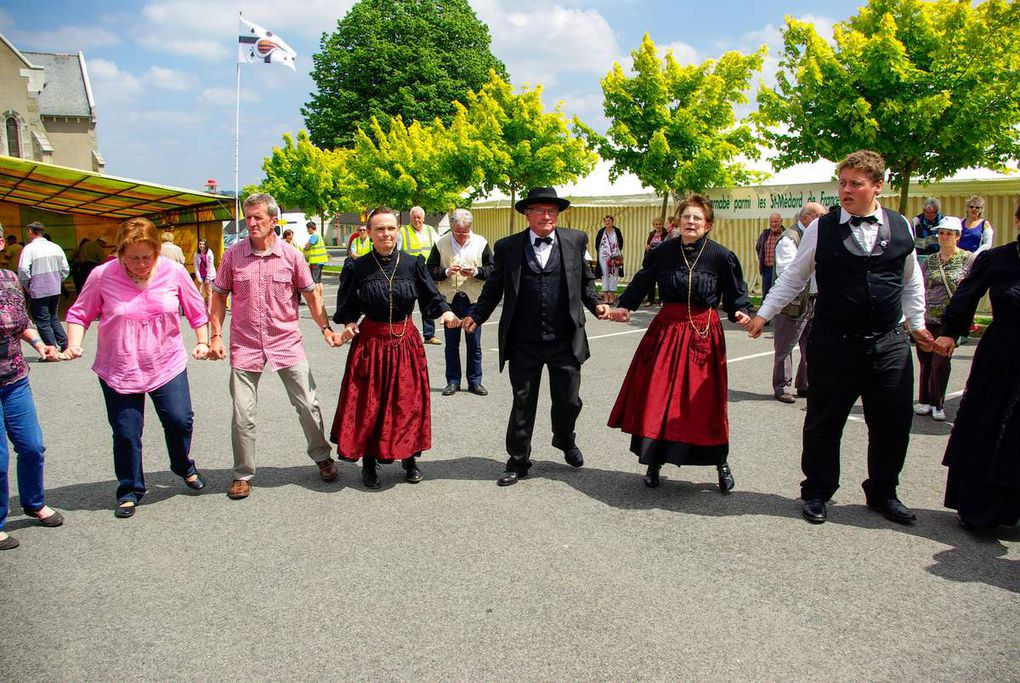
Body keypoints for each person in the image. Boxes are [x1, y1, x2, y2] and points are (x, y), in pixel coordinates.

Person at [746, 150, 935, 526]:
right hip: (834, 340)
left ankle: (883, 492)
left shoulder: (901, 226)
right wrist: (764, 313)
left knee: (893, 423)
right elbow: (795, 276)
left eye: (855, 184)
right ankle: (816, 491)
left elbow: (911, 279)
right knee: (824, 421)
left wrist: (917, 323)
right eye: (842, 183)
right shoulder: (822, 227)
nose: (845, 191)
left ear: (877, 186)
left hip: (889, 343)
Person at [462, 187, 609, 486]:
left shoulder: (575, 240)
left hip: (565, 339)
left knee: (568, 400)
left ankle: (565, 439)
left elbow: (585, 282)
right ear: (527, 214)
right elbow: (493, 289)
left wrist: (596, 305)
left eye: (552, 211)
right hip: (523, 340)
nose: (547, 216)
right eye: (540, 210)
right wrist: (476, 316)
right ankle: (518, 459)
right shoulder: (508, 248)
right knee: (523, 400)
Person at [64, 218, 210, 518]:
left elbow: (197, 311)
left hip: (166, 363)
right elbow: (79, 313)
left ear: (157, 251)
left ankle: (183, 465)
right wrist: (74, 344)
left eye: (148, 256)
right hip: (120, 367)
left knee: (180, 420)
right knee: (127, 432)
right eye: (134, 258)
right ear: (120, 253)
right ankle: (130, 489)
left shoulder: (174, 271)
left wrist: (203, 342)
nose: (142, 264)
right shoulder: (102, 275)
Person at [605, 194, 752, 491]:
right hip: (667, 333)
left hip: (703, 335)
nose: (691, 222)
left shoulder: (721, 256)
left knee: (705, 403)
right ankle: (653, 461)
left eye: (697, 218)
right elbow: (641, 282)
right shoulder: (664, 252)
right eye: (686, 216)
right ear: (678, 221)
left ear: (708, 224)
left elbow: (737, 294)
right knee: (658, 398)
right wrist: (624, 306)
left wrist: (742, 312)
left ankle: (720, 462)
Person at [207, 193, 341, 500]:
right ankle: (242, 474)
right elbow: (218, 296)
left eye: (258, 218)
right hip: (246, 344)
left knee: (308, 404)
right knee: (243, 413)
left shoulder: (293, 256)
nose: (251, 223)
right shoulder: (232, 256)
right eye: (248, 217)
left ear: (274, 221)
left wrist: (325, 329)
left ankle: (322, 457)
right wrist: (215, 334)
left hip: (285, 341)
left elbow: (311, 295)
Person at [331, 207, 459, 488]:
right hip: (371, 344)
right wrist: (350, 323)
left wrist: (445, 312)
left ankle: (409, 458)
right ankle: (369, 462)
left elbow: (431, 297)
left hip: (405, 343)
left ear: (397, 229)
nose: (385, 234)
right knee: (369, 405)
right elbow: (347, 306)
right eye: (379, 229)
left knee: (407, 404)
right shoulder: (358, 266)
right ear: (370, 232)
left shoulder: (413, 264)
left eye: (390, 228)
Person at [933, 201, 1020, 530]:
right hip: (1000, 355)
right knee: (987, 426)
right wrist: (949, 333)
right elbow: (965, 297)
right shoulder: (996, 259)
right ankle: (978, 507)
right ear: (1017, 221)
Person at [0, 234, 64, 550]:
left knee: (32, 446)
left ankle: (34, 502)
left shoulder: (10, 279)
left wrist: (41, 344)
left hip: (15, 379)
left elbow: (22, 321)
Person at [426, 208, 494, 396]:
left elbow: (492, 269)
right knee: (451, 344)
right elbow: (429, 269)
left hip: (473, 299)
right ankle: (453, 381)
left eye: (465, 233)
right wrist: (446, 272)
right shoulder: (441, 243)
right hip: (449, 301)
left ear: (471, 227)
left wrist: (476, 272)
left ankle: (474, 381)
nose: (462, 237)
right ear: (452, 228)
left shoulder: (481, 242)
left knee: (474, 343)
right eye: (457, 233)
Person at [915, 217, 974, 422]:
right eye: (941, 233)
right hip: (928, 315)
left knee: (940, 361)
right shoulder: (929, 260)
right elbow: (919, 286)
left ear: (957, 237)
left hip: (950, 319)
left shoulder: (968, 259)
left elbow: (972, 288)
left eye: (949, 233)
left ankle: (937, 403)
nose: (943, 237)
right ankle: (924, 400)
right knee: (926, 360)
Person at [771, 202, 825, 404]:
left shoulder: (817, 236)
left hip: (815, 298)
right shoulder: (789, 239)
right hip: (792, 301)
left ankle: (805, 384)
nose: (825, 220)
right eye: (821, 216)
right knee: (785, 345)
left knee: (812, 345)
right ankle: (782, 386)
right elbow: (788, 272)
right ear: (806, 218)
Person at [17, 221, 69, 352]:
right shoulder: (56, 247)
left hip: (38, 289)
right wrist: (57, 281)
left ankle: (51, 349)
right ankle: (64, 343)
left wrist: (27, 284)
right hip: (55, 288)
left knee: (42, 320)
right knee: (53, 317)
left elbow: (23, 270)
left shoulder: (29, 249)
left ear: (30, 231)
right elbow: (65, 269)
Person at [398, 207, 441, 344]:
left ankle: (429, 335)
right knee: (405, 303)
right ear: (410, 218)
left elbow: (439, 247)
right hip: (408, 272)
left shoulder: (430, 230)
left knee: (427, 303)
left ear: (424, 218)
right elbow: (396, 251)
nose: (417, 220)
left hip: (425, 273)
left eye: (419, 217)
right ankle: (401, 332)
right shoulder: (402, 232)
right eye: (414, 217)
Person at [594, 215, 624, 305]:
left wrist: (615, 254)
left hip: (615, 257)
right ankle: (606, 296)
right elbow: (597, 244)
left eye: (609, 221)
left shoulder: (617, 231)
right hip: (603, 256)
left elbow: (621, 243)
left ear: (612, 221)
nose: (607, 222)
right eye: (606, 221)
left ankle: (612, 296)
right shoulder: (601, 231)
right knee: (605, 275)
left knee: (613, 276)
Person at [754, 213, 785, 297]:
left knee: (779, 294)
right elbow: (758, 248)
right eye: (772, 222)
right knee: (766, 294)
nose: (774, 224)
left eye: (776, 221)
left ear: (781, 221)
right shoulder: (765, 235)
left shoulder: (785, 235)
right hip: (767, 270)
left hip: (781, 271)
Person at [302, 220, 329, 314]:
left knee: (315, 281)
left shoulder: (314, 236)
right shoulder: (319, 235)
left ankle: (318, 298)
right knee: (319, 281)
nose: (307, 231)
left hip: (315, 261)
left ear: (310, 228)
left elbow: (308, 246)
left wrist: (305, 246)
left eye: (307, 229)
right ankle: (321, 298)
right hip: (321, 260)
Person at [644, 217, 668, 306]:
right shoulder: (652, 234)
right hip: (651, 259)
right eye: (656, 224)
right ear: (654, 225)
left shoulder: (666, 234)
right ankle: (650, 300)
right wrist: (647, 247)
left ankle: (662, 300)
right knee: (651, 280)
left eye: (660, 224)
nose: (658, 226)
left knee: (661, 281)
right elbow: (648, 244)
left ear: (662, 224)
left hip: (662, 260)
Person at [193, 238, 216, 309]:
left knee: (209, 292)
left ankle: (209, 308)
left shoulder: (209, 253)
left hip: (209, 275)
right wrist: (198, 277)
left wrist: (208, 278)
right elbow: (196, 266)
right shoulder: (196, 254)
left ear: (206, 245)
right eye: (200, 244)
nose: (201, 245)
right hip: (201, 275)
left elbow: (210, 266)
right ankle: (202, 308)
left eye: (203, 244)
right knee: (200, 292)